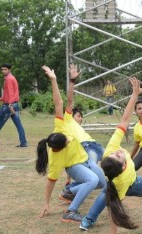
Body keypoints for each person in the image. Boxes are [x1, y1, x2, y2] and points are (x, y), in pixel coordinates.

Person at [80, 78, 142, 234]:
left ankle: (88, 219)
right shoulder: (121, 180)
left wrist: (134, 95)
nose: (118, 152)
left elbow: (125, 120)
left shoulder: (110, 150)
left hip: (119, 182)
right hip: (134, 183)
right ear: (124, 166)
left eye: (114, 153)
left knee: (106, 190)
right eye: (119, 156)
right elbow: (114, 210)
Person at [36, 65, 106, 223]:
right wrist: (46, 203)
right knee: (92, 180)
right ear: (59, 148)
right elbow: (50, 182)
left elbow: (61, 102)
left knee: (102, 183)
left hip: (86, 160)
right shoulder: (56, 158)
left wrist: (58, 80)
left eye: (66, 138)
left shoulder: (61, 125)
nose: (69, 140)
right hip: (75, 166)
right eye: (67, 142)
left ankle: (70, 190)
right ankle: (70, 211)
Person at [60, 64, 106, 202]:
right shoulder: (67, 122)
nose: (81, 118)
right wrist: (72, 81)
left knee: (115, 160)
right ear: (71, 115)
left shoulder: (80, 128)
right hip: (85, 148)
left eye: (81, 116)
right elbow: (69, 100)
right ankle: (71, 190)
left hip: (96, 146)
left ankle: (73, 188)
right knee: (94, 177)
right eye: (78, 115)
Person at [0, 63, 27, 147]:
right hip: (14, 105)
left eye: (5, 69)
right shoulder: (12, 78)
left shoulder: (8, 79)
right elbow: (7, 94)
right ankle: (23, 143)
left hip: (8, 106)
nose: (3, 71)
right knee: (19, 125)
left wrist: (10, 104)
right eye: (2, 69)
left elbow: (11, 94)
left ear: (9, 70)